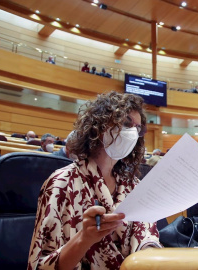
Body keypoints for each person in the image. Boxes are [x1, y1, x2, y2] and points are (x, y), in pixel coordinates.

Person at [27, 92, 160, 269]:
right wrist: (84, 238)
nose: (133, 133)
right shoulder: (60, 183)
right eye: (127, 123)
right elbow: (40, 265)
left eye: (138, 128)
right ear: (99, 124)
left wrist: (149, 250)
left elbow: (147, 237)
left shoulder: (133, 186)